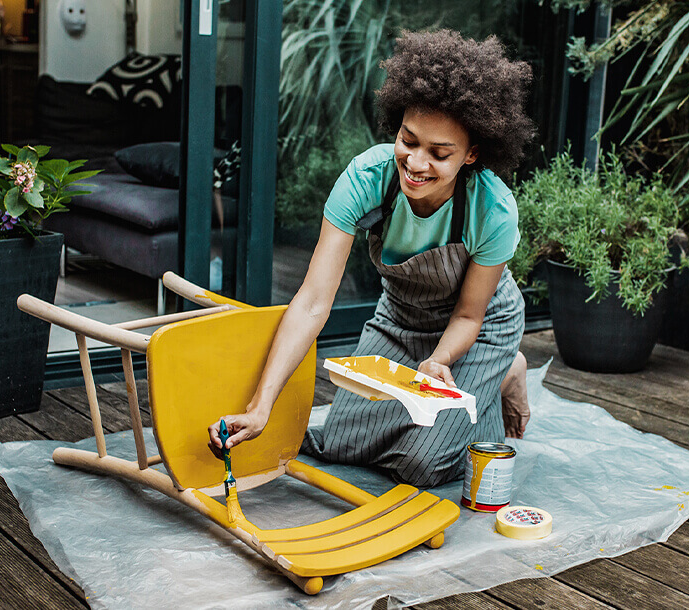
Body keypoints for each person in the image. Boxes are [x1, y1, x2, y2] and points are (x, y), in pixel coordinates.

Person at [208, 30, 535, 488]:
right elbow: (312, 303)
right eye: (409, 140)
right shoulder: (366, 179)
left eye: (439, 154)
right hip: (400, 317)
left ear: (472, 154)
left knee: (426, 464)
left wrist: (440, 361)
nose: (416, 163)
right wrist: (261, 405)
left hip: (476, 329)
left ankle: (502, 370)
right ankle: (479, 384)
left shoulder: (492, 209)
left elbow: (468, 314)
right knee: (342, 443)